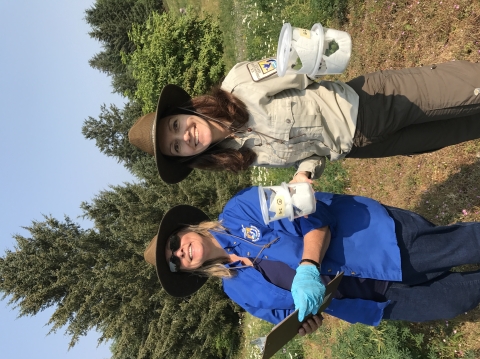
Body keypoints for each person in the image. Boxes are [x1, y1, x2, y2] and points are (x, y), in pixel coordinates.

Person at [144, 186, 480, 335]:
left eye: (174, 243)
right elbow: (286, 316)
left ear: (186, 228)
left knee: (465, 246)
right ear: (186, 270)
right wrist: (304, 323)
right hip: (369, 300)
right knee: (455, 300)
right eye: (174, 261)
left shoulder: (242, 207)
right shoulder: (236, 291)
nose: (179, 252)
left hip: (373, 246)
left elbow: (309, 209)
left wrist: (308, 265)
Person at [128, 58, 480, 184]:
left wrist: (306, 52)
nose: (185, 137)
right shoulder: (240, 154)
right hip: (362, 146)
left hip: (369, 103)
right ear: (185, 157)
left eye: (175, 126)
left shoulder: (239, 83)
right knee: (461, 129)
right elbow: (314, 151)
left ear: (184, 111)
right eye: (176, 147)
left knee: (469, 88)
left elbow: (300, 67)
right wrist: (304, 174)